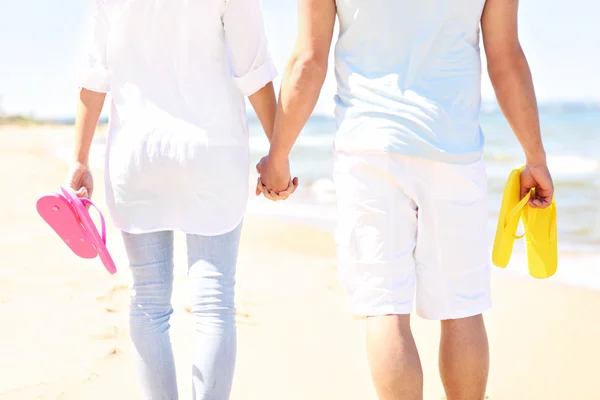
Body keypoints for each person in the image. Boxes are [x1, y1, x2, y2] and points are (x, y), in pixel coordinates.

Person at [256, 0, 554, 399]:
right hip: (454, 149)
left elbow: (309, 61)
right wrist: (535, 158)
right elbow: (507, 60)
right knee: (461, 308)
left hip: (369, 147)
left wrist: (278, 154)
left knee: (384, 308)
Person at [65, 0, 294, 398]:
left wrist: (79, 159)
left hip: (137, 156)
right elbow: (253, 71)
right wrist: (279, 154)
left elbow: (94, 78)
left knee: (148, 302)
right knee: (214, 303)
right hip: (210, 153)